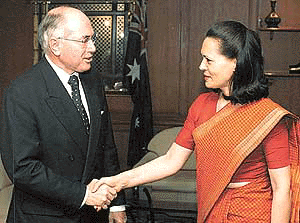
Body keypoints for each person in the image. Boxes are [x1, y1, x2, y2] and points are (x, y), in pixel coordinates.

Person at [91, 21, 300, 222]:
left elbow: (281, 188)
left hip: (251, 212)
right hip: (209, 209)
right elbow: (170, 160)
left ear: (236, 63)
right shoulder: (202, 104)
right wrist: (117, 181)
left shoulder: (269, 118)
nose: (201, 66)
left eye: (208, 60)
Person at [0, 6, 127, 223]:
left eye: (93, 39)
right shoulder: (22, 92)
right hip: (44, 217)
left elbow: (106, 147)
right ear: (55, 45)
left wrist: (117, 203)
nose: (93, 47)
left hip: (92, 214)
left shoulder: (93, 81)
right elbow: (22, 168)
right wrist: (84, 195)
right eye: (84, 40)